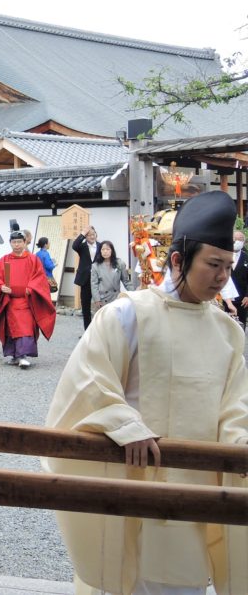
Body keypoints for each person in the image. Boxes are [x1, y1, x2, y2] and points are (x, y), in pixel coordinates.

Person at [45, 191, 248, 595]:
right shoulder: (127, 314)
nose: (223, 277)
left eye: (228, 266)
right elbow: (88, 380)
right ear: (178, 260)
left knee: (183, 582)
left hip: (194, 490)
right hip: (131, 478)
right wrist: (122, 422)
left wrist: (239, 448)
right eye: (213, 264)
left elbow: (236, 407)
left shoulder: (228, 332)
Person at [0, 220, 56, 368]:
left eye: (19, 242)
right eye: (14, 242)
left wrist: (31, 288)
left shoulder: (33, 259)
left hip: (26, 300)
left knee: (25, 327)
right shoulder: (5, 260)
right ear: (10, 243)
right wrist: (1, 286)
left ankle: (23, 355)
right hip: (9, 301)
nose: (17, 245)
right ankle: (14, 355)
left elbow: (39, 277)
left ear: (25, 242)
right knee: (10, 328)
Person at [89, 240, 132, 311]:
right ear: (100, 251)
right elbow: (94, 285)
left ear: (112, 251)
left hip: (115, 298)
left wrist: (134, 294)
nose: (105, 251)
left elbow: (126, 281)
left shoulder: (120, 263)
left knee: (116, 320)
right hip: (101, 299)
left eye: (107, 249)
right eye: (103, 249)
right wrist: (97, 299)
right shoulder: (95, 266)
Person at [72, 225, 99, 329]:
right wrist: (83, 233)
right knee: (86, 307)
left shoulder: (101, 246)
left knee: (100, 306)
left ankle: (99, 331)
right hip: (85, 280)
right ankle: (87, 331)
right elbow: (74, 246)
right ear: (85, 237)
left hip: (98, 280)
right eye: (89, 235)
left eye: (93, 234)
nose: (92, 237)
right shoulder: (82, 246)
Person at [228, 228, 246, 328]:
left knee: (241, 324)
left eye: (240, 239)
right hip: (227, 297)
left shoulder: (246, 257)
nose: (237, 241)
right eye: (235, 238)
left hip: (243, 298)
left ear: (244, 242)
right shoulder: (224, 255)